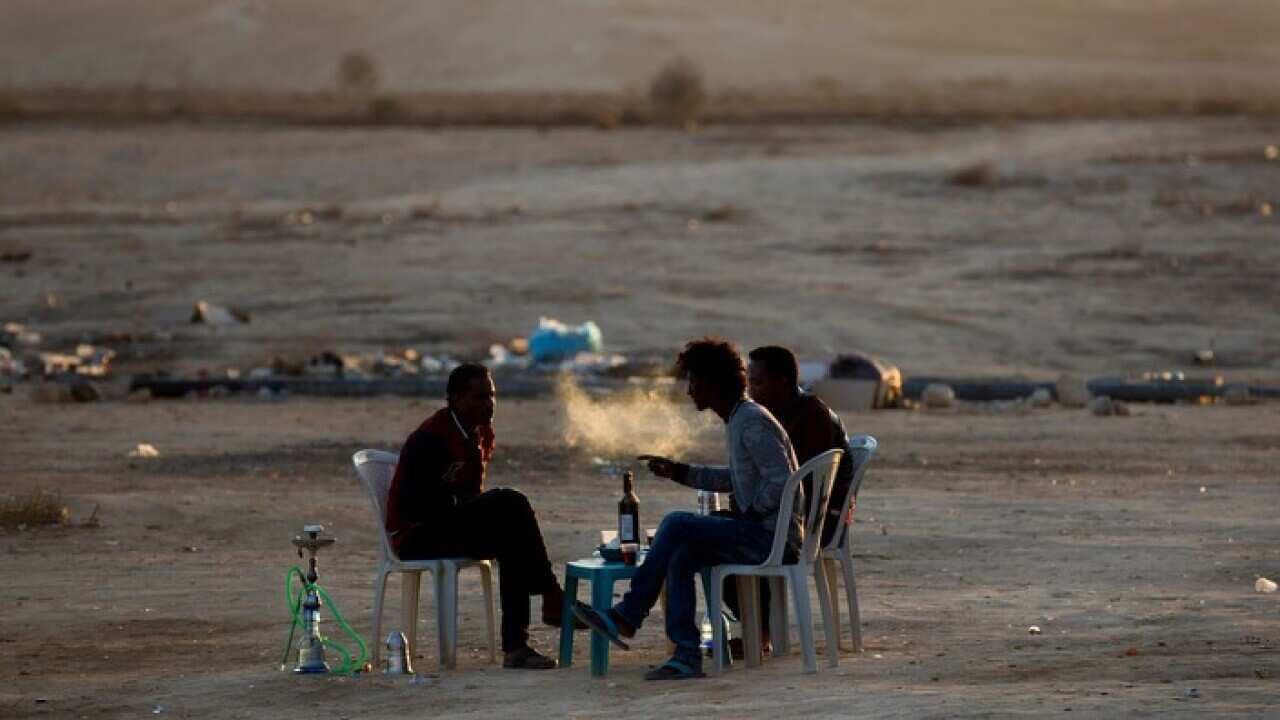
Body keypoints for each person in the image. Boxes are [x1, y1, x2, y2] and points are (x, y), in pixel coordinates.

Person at [572, 337, 800, 680]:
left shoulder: (751, 421)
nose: (690, 390)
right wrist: (680, 472)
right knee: (681, 552)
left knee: (676, 523)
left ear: (713, 383)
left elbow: (782, 481)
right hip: (761, 531)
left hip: (771, 537)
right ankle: (685, 654)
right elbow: (737, 478)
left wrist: (751, 514)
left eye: (694, 382)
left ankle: (628, 614)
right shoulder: (740, 418)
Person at [385, 363, 580, 670]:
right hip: (416, 535)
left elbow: (472, 493)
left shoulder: (480, 433)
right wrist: (462, 506)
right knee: (512, 502)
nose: (489, 404)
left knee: (511, 536)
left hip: (449, 525)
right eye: (479, 397)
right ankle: (551, 595)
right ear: (456, 399)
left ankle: (516, 646)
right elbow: (414, 508)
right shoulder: (431, 439)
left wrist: (470, 508)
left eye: (492, 395)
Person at [718, 345, 857, 656]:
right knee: (720, 530)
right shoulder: (771, 415)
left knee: (731, 537)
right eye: (750, 383)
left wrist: (751, 508)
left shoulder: (812, 415)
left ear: (782, 382)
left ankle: (760, 631)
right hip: (794, 513)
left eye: (758, 383)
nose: (751, 391)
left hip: (817, 523)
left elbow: (801, 486)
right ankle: (758, 628)